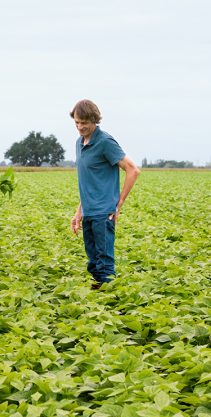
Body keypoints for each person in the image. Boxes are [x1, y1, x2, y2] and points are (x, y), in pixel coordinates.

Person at [70, 99, 140, 289]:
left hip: (103, 212)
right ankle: (98, 297)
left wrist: (118, 204)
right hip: (89, 211)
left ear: (94, 120)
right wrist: (78, 212)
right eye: (77, 122)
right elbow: (88, 182)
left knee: (104, 261)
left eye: (84, 122)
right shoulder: (79, 143)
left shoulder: (105, 142)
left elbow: (133, 170)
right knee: (93, 261)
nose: (80, 127)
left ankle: (109, 303)